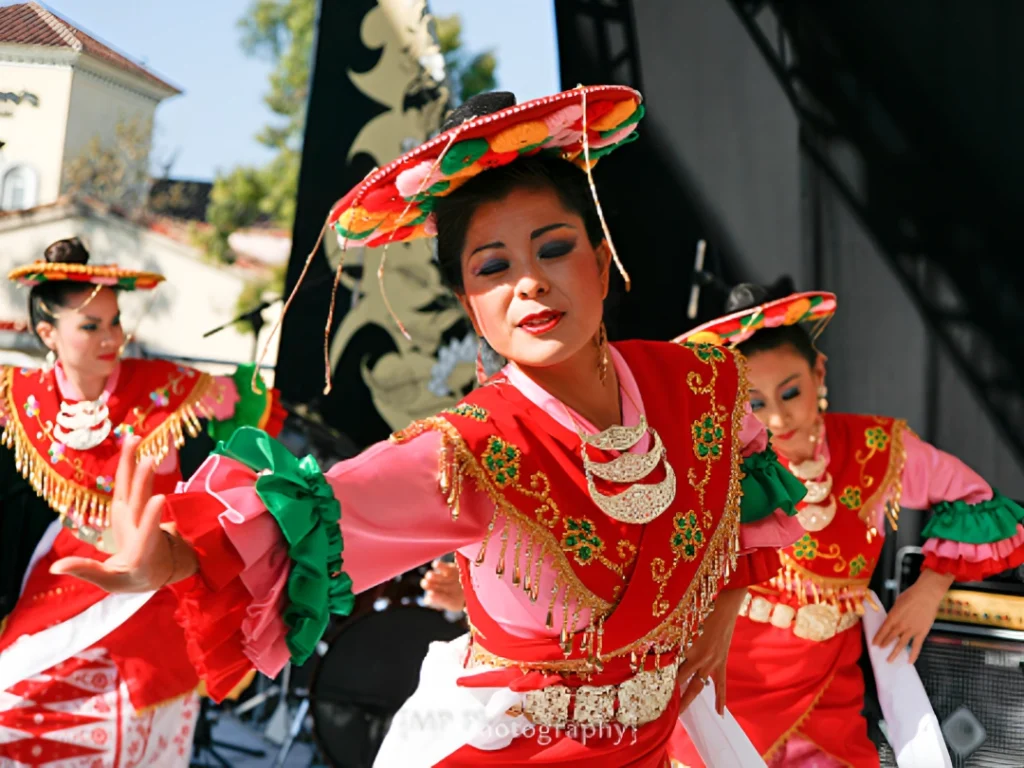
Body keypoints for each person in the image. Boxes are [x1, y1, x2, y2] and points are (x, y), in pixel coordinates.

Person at [48, 87, 808, 767]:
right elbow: (318, 517)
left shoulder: (700, 384)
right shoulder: (469, 450)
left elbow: (747, 493)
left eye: (554, 248)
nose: (530, 282)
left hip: (662, 741)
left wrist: (723, 610)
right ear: (468, 305)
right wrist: (179, 556)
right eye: (491, 267)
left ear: (602, 264)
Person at [670, 281, 1024, 767]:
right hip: (736, 676)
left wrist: (928, 591)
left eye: (790, 390)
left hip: (827, 689)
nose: (777, 416)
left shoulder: (876, 449)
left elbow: (977, 500)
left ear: (819, 372)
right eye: (754, 403)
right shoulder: (719, 463)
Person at [0, 238, 284, 767]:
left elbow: (240, 421)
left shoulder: (166, 389)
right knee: (13, 707)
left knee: (137, 732)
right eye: (91, 326)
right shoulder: (24, 396)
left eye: (115, 321)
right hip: (65, 576)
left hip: (152, 585)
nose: (113, 337)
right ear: (47, 334)